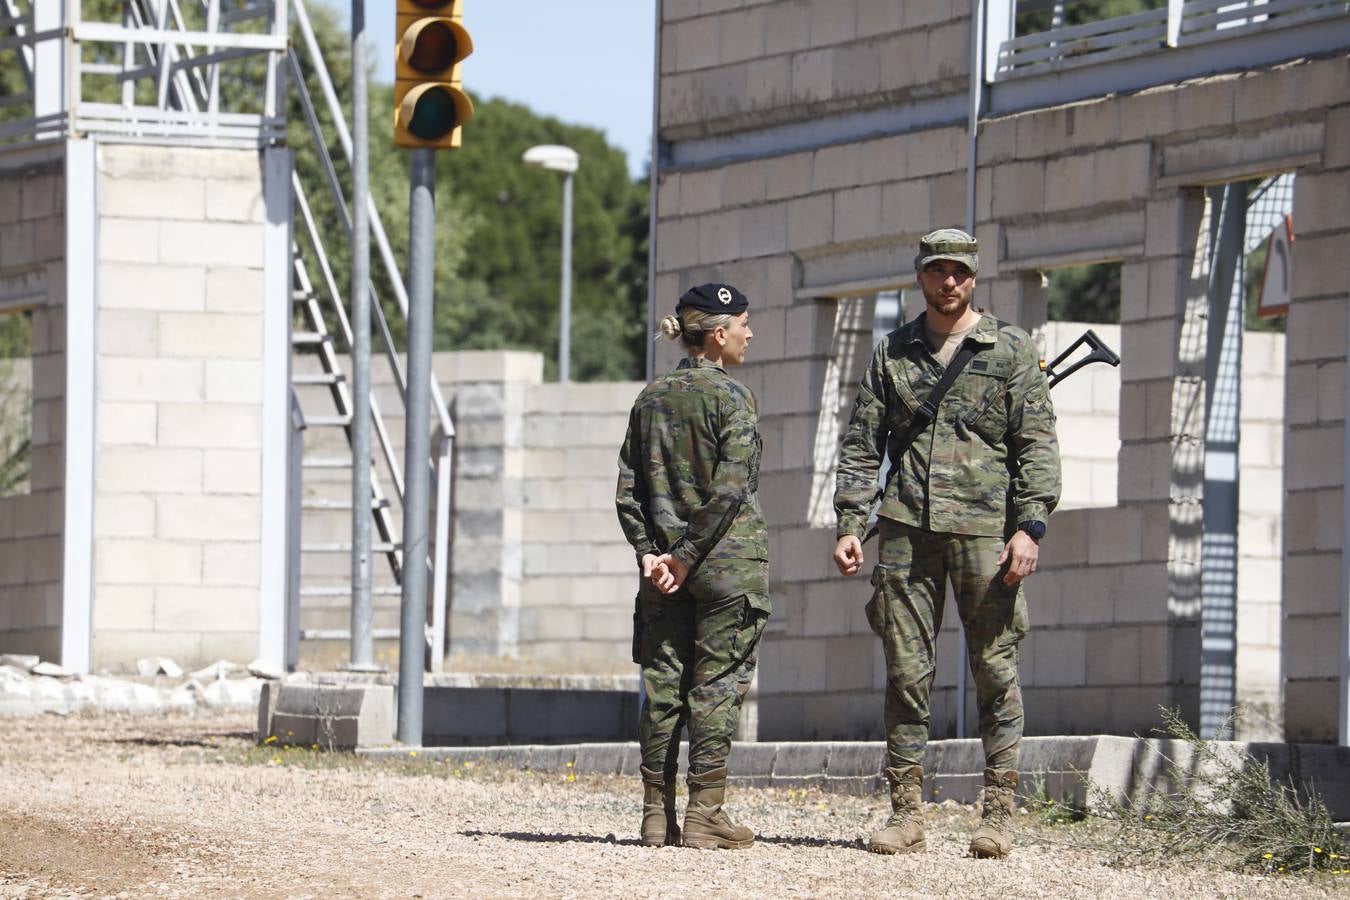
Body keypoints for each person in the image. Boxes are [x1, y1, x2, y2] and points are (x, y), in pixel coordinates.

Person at [831, 228, 1061, 859]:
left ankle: (999, 815)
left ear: (975, 276)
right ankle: (906, 813)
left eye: (959, 271)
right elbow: (861, 444)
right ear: (920, 276)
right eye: (937, 270)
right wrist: (852, 522)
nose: (948, 281)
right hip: (907, 531)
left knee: (994, 667)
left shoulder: (1010, 348)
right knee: (906, 672)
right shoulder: (893, 352)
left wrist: (1030, 526)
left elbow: (1035, 445)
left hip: (987, 534)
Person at [615, 283, 770, 850]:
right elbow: (731, 491)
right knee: (716, 687)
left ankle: (656, 815)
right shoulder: (734, 398)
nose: (750, 334)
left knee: (662, 688)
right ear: (719, 332)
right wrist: (685, 558)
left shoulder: (649, 398)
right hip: (726, 566)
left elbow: (627, 493)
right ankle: (706, 815)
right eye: (744, 324)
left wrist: (653, 555)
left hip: (662, 571)